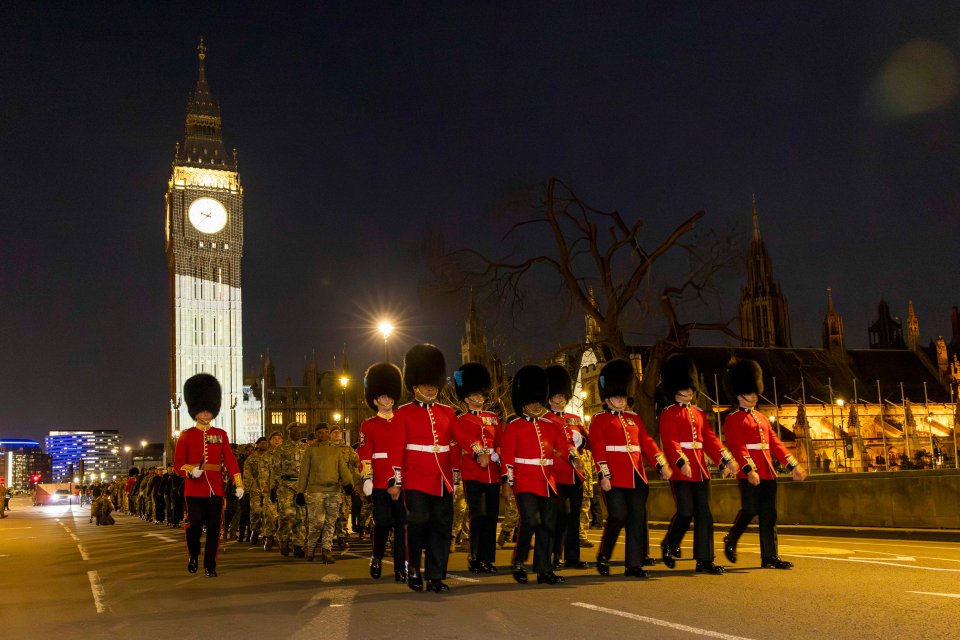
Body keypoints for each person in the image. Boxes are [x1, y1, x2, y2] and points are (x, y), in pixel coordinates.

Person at [589, 358, 671, 579]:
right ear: (607, 399)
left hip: (636, 477)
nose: (621, 400)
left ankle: (633, 565)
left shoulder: (634, 419)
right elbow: (598, 449)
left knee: (636, 518)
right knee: (618, 515)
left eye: (623, 396)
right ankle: (604, 554)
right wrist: (603, 474)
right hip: (613, 478)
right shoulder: (599, 420)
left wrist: (660, 463)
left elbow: (647, 443)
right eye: (616, 396)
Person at [721, 358, 807, 569]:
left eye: (754, 392)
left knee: (769, 515)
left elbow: (776, 444)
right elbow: (738, 446)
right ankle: (732, 538)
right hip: (749, 472)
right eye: (749, 393)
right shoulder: (733, 418)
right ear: (739, 394)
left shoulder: (761, 418)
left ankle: (769, 556)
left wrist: (793, 465)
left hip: (768, 472)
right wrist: (749, 469)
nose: (753, 396)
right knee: (750, 510)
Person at [658, 353, 739, 575]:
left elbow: (710, 441)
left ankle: (705, 560)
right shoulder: (668, 414)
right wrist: (681, 461)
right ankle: (670, 544)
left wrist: (725, 459)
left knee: (705, 514)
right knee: (685, 512)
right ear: (675, 391)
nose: (688, 394)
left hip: (700, 470)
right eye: (684, 391)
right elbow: (669, 441)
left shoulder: (699, 413)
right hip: (680, 470)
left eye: (690, 391)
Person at [387, 344, 457, 593]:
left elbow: (458, 442)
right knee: (417, 522)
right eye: (426, 385)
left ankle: (437, 575)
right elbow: (396, 449)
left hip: (442, 479)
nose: (431, 389)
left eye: (434, 385)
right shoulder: (403, 413)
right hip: (415, 477)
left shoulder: (448, 412)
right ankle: (414, 569)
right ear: (415, 386)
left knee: (441, 526)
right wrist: (395, 481)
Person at [501, 365, 579, 585]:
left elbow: (563, 446)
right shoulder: (514, 426)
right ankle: (519, 560)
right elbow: (508, 458)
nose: (536, 405)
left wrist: (573, 456)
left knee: (548, 524)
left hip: (547, 480)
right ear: (522, 404)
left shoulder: (549, 425)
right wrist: (507, 483)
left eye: (538, 401)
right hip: (524, 480)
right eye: (531, 402)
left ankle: (545, 570)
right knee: (530, 520)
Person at [173, 373, 244, 577]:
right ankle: (193, 554)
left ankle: (210, 564)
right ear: (195, 411)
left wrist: (238, 483)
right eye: (202, 411)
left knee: (215, 529)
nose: (205, 414)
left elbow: (230, 461)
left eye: (208, 411)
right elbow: (178, 464)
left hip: (215, 489)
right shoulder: (186, 435)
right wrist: (190, 470)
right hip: (194, 489)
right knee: (193, 525)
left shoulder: (220, 434)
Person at [358, 362, 407, 581]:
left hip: (402, 479)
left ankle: (400, 566)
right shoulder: (368, 425)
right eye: (382, 398)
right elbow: (365, 454)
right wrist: (367, 477)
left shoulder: (404, 421)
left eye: (389, 397)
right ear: (375, 399)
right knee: (384, 523)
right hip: (379, 481)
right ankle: (376, 557)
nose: (387, 401)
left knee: (402, 525)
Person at [452, 362, 501, 574]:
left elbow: (500, 439)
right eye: (474, 395)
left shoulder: (493, 417)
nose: (479, 398)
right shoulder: (461, 419)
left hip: (493, 473)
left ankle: (488, 558)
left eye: (481, 394)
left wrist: (499, 453)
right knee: (477, 515)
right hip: (473, 471)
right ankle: (474, 557)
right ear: (466, 398)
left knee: (491, 516)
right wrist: (478, 452)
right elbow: (464, 439)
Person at [543, 364, 589, 570]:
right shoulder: (544, 419)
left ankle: (572, 556)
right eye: (556, 396)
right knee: (559, 516)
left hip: (575, 474)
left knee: (573, 516)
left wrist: (583, 440)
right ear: (549, 397)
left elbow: (588, 443)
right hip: (555, 475)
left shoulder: (575, 419)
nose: (560, 399)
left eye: (563, 395)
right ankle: (555, 554)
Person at [298, 419, 353, 563]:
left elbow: (343, 468)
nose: (323, 434)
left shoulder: (336, 450)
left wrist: (348, 484)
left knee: (330, 522)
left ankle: (326, 550)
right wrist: (300, 491)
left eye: (325, 432)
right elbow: (304, 472)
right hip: (315, 491)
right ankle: (310, 549)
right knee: (316, 523)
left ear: (328, 434)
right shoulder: (310, 450)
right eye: (320, 432)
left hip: (333, 491)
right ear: (316, 434)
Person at [276, 422, 307, 557]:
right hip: (286, 485)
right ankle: (284, 540)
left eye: (299, 430)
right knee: (287, 514)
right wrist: (273, 487)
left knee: (301, 515)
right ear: (289, 432)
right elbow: (276, 469)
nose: (297, 432)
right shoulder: (281, 449)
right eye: (294, 430)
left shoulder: (306, 448)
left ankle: (298, 544)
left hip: (301, 486)